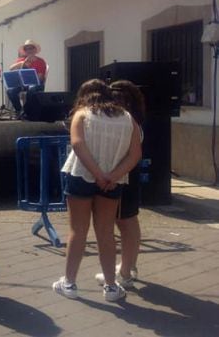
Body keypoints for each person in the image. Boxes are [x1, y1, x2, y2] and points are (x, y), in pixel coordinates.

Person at [54, 79, 141, 302]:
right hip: (113, 181)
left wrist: (97, 173)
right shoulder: (127, 117)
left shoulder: (82, 114)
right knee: (105, 233)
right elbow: (135, 154)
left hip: (82, 175)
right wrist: (111, 175)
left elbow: (77, 144)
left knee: (78, 231)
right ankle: (111, 287)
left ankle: (70, 282)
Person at [94, 80, 145, 290]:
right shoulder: (133, 120)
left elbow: (129, 154)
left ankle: (125, 272)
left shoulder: (127, 121)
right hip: (125, 176)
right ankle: (128, 265)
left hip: (122, 177)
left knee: (125, 223)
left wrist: (112, 176)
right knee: (127, 221)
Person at [7, 39, 48, 116]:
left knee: (32, 88)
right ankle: (19, 110)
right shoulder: (22, 60)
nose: (29, 50)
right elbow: (11, 68)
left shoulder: (40, 61)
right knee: (10, 90)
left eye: (31, 48)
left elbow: (40, 78)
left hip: (37, 84)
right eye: (26, 49)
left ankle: (26, 110)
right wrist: (23, 62)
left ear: (35, 50)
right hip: (23, 85)